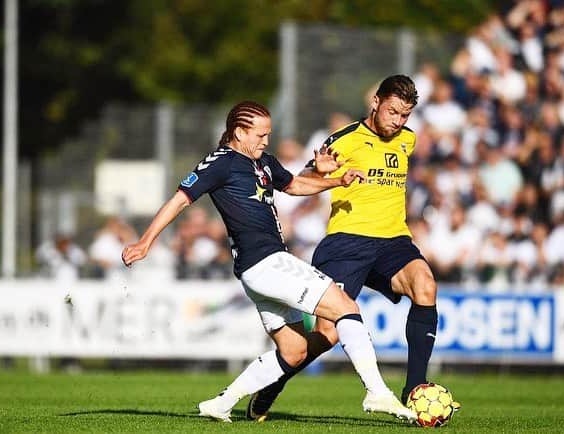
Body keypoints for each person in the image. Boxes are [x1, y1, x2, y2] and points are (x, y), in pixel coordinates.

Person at [121, 101, 415, 423]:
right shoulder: (220, 163)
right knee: (345, 307)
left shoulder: (262, 162)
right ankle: (377, 393)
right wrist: (146, 241)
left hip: (260, 270)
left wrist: (337, 181)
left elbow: (294, 185)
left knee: (294, 351)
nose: (265, 141)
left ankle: (221, 403)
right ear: (239, 132)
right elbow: (180, 199)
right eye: (260, 135)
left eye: (269, 134)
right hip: (266, 263)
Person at [248, 75, 441, 420]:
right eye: (393, 112)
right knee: (328, 333)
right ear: (376, 102)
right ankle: (274, 383)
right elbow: (306, 175)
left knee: (425, 285)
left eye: (405, 115)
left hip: (394, 240)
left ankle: (414, 391)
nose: (398, 122)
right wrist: (320, 171)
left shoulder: (407, 141)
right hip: (345, 244)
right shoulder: (347, 140)